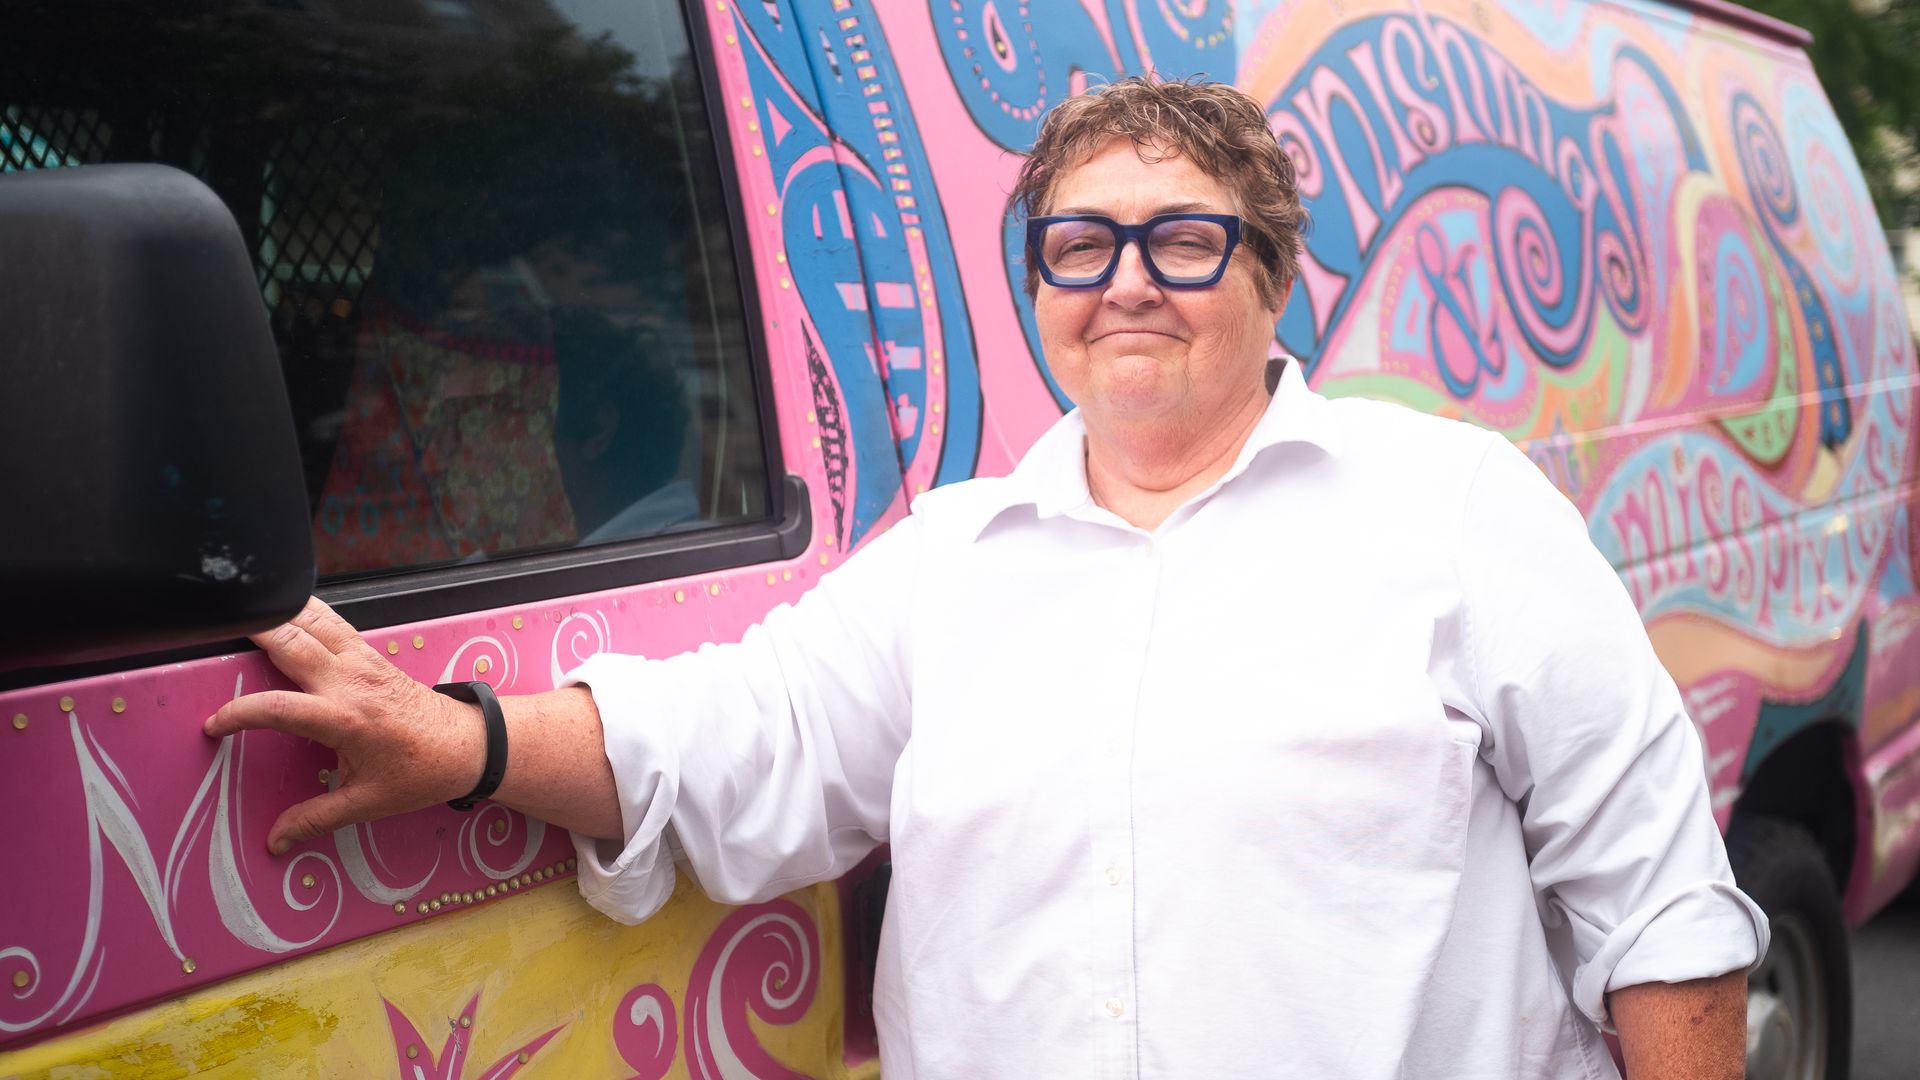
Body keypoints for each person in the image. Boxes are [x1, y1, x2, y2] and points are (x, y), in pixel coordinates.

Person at [206, 78, 1766, 1078]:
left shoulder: (1455, 510)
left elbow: (1654, 904)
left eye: (1184, 241)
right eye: (1079, 247)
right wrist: (465, 741)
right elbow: (740, 735)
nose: (1127, 282)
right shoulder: (955, 562)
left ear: (1273, 273)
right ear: (1039, 292)